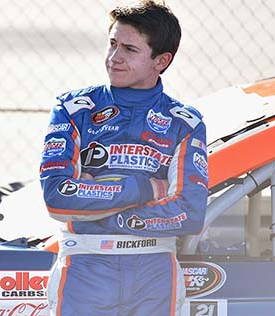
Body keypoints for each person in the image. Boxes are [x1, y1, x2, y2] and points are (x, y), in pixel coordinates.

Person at [39, 1, 208, 315]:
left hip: (154, 271)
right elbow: (57, 198)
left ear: (161, 60)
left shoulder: (184, 122)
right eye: (112, 44)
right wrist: (147, 190)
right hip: (85, 268)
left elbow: (191, 212)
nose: (114, 58)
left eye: (129, 49)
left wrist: (102, 210)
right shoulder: (74, 109)